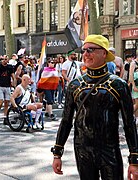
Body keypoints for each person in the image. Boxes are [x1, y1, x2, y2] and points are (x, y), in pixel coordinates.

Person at [52, 34, 138, 179]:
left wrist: (134, 160)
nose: (85, 54)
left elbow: (129, 123)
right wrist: (57, 153)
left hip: (109, 150)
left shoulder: (118, 85)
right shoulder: (75, 85)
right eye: (84, 50)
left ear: (104, 53)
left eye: (90, 50)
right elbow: (66, 121)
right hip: (83, 150)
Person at [0, 55, 16, 125]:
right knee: (1, 101)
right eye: (3, 59)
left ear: (8, 60)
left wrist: (14, 85)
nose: (4, 61)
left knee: (7, 103)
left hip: (7, 86)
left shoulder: (10, 67)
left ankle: (5, 117)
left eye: (5, 59)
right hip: (0, 86)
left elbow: (13, 77)